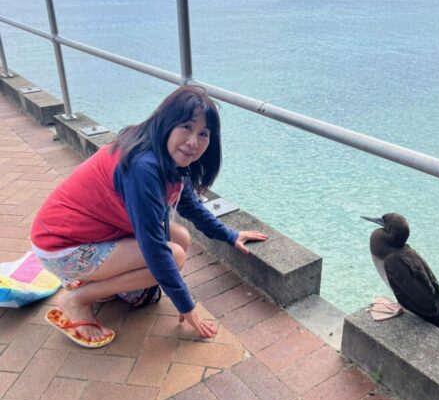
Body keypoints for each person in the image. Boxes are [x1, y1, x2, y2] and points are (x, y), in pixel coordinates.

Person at [30, 85, 268, 346]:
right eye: (186, 127)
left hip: (86, 236)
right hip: (62, 248)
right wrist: (186, 306)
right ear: (167, 122)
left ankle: (103, 285)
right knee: (173, 255)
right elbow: (154, 248)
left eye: (203, 133)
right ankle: (77, 300)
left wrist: (229, 235)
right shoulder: (144, 167)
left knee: (180, 237)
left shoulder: (164, 155)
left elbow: (189, 205)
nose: (193, 142)